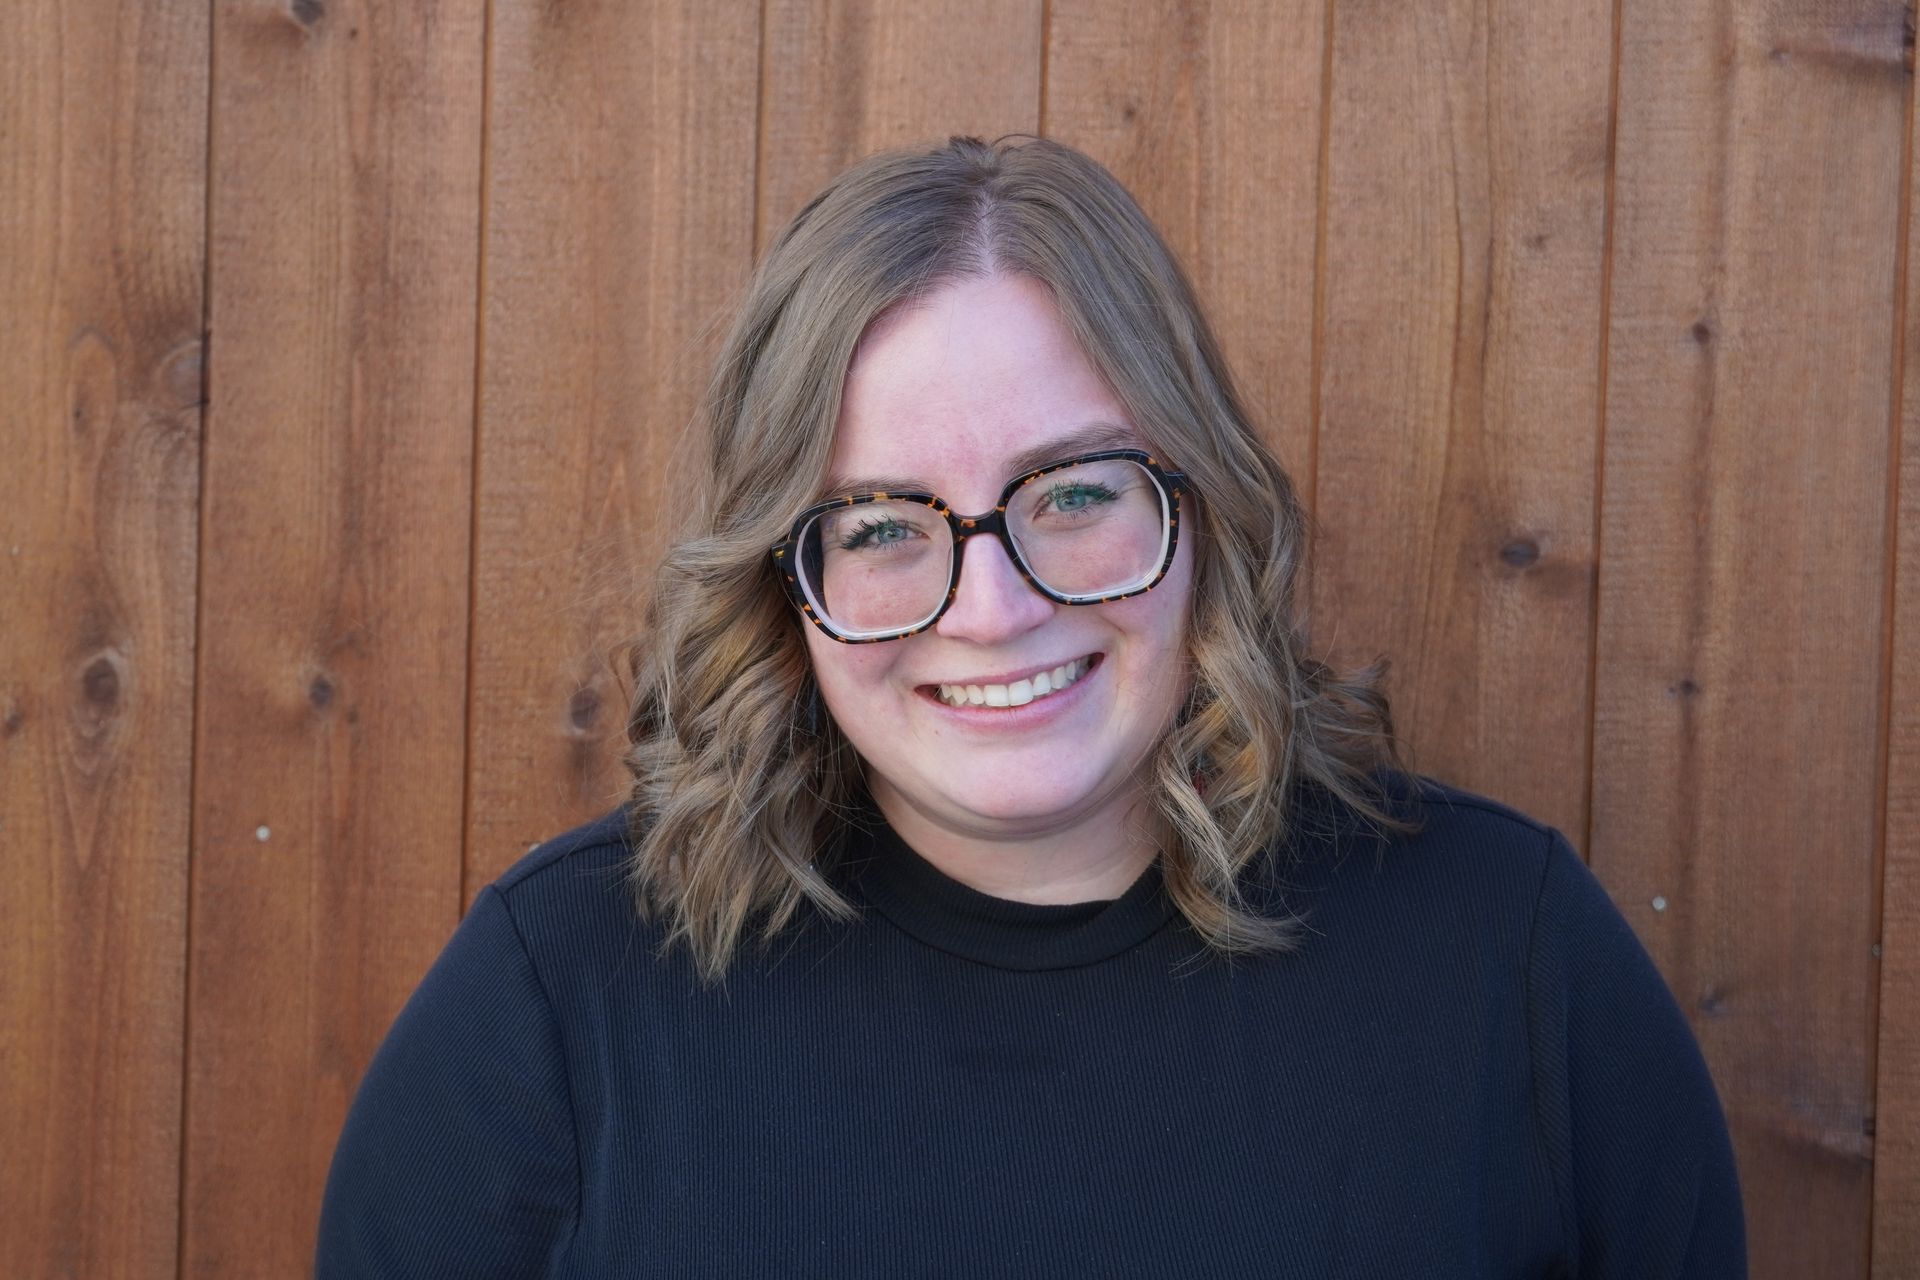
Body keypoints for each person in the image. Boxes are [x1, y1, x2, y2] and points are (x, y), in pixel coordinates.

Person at [315, 134, 1746, 1277]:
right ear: (781, 578)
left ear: (1205, 512)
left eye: (1072, 495)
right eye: (881, 524)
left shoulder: (1511, 961)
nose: (990, 607)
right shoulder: (559, 998)